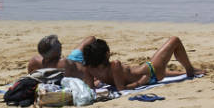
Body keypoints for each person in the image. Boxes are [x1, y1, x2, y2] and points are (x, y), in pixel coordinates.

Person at [62, 35, 200, 90]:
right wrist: (141, 83)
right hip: (151, 72)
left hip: (149, 74)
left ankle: (183, 73)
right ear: (107, 54)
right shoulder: (115, 65)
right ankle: (190, 69)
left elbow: (91, 89)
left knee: (165, 73)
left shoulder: (88, 69)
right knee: (174, 40)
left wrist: (100, 84)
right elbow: (121, 88)